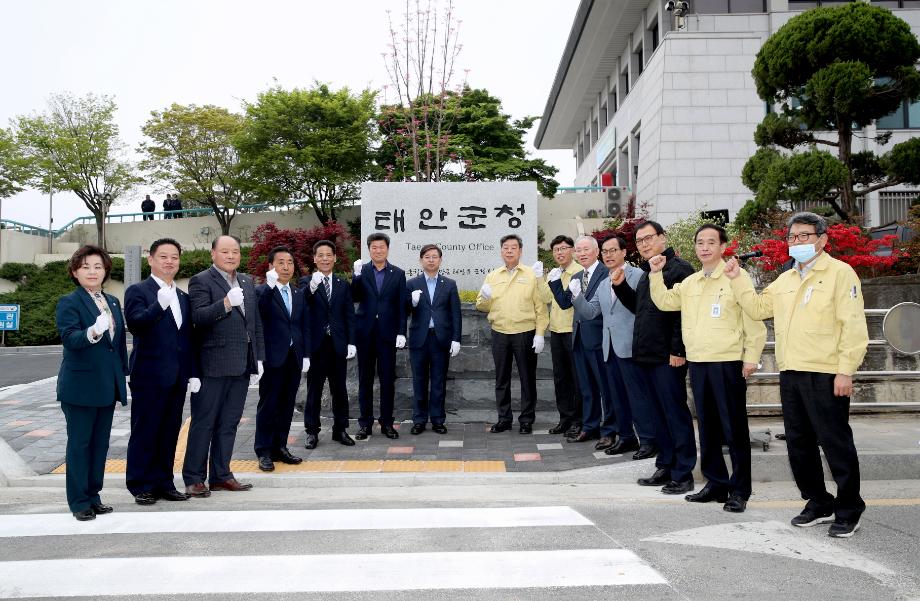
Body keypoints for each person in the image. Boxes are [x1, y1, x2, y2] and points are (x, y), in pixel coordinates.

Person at [724, 212, 869, 536]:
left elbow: (854, 327)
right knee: (799, 444)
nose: (798, 242)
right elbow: (759, 308)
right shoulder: (786, 278)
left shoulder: (839, 274)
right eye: (793, 237)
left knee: (835, 444)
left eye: (805, 236)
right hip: (791, 372)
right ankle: (818, 501)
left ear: (822, 239)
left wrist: (846, 371)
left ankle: (849, 509)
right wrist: (738, 278)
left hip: (826, 372)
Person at [648, 224, 767, 513]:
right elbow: (664, 302)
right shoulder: (691, 283)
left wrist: (751, 357)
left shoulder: (735, 278)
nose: (704, 247)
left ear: (722, 246)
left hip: (727, 363)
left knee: (734, 430)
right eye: (700, 242)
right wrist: (654, 273)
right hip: (699, 363)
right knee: (709, 428)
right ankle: (716, 483)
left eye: (710, 242)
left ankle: (740, 489)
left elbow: (754, 321)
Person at [612, 220, 697, 495]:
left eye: (649, 238)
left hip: (667, 356)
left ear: (662, 237)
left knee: (675, 413)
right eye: (640, 241)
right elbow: (641, 309)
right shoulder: (650, 270)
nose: (644, 244)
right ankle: (666, 464)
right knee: (657, 414)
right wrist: (621, 287)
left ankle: (683, 473)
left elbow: (681, 313)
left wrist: (677, 350)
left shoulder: (679, 269)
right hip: (646, 354)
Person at [183, 235, 264, 496]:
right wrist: (226, 303)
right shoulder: (201, 280)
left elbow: (255, 324)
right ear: (213, 254)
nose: (231, 256)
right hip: (213, 365)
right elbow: (197, 318)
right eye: (225, 251)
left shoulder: (247, 281)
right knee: (204, 423)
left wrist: (258, 359)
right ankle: (194, 477)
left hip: (241, 365)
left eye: (236, 252)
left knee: (229, 423)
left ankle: (221, 475)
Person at [55, 245, 128, 521]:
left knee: (100, 445)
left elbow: (118, 344)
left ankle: (94, 496)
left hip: (107, 386)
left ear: (105, 270)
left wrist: (124, 374)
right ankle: (78, 501)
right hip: (80, 387)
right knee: (80, 444)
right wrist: (92, 331)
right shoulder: (69, 302)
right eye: (85, 266)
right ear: (75, 271)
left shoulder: (111, 301)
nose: (92, 271)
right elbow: (70, 339)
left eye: (98, 266)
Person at [124, 238, 197, 506]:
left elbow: (187, 338)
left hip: (177, 376)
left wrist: (192, 372)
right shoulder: (138, 291)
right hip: (149, 375)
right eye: (163, 256)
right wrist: (159, 305)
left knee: (169, 431)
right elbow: (136, 325)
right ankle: (140, 484)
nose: (169, 261)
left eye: (174, 257)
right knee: (146, 430)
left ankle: (164, 482)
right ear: (151, 259)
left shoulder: (183, 296)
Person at [575, 234, 658, 459]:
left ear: (624, 252)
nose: (608, 255)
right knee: (616, 396)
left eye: (613, 250)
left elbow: (641, 310)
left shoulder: (638, 275)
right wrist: (576, 296)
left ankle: (649, 440)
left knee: (637, 396)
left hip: (631, 346)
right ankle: (626, 438)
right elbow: (591, 312)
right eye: (605, 252)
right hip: (609, 348)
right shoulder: (603, 283)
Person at [476, 234, 548, 434]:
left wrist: (540, 333)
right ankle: (504, 418)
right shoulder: (493, 276)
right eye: (505, 248)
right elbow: (481, 305)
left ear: (520, 251)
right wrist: (485, 298)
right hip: (499, 333)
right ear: (501, 251)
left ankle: (526, 420)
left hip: (525, 333)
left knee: (527, 378)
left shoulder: (531, 275)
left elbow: (541, 308)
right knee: (501, 379)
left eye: (513, 248)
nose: (509, 251)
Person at [548, 236, 616, 450]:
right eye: (579, 250)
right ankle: (590, 426)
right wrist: (555, 282)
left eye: (586, 249)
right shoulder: (578, 275)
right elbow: (566, 303)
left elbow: (599, 308)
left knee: (606, 389)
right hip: (578, 338)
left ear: (597, 251)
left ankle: (610, 430)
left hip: (599, 340)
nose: (582, 253)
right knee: (586, 388)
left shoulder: (606, 273)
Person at [254, 246, 311, 471]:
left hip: (293, 357)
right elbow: (260, 311)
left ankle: (280, 447)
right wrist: (268, 286)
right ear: (271, 266)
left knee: (287, 404)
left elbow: (303, 325)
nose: (286, 267)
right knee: (269, 404)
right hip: (272, 357)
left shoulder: (298, 293)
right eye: (281, 262)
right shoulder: (262, 291)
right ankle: (263, 451)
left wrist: (306, 354)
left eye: (289, 262)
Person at [351, 232, 408, 440]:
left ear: (387, 249)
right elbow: (354, 296)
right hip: (364, 334)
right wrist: (356, 277)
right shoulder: (362, 271)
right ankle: (365, 423)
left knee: (387, 381)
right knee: (364, 380)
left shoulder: (398, 273)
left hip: (387, 335)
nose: (378, 251)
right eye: (374, 247)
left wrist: (402, 331)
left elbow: (402, 306)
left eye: (381, 247)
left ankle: (387, 423)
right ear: (369, 250)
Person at [301, 239, 357, 448]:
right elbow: (302, 304)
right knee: (314, 390)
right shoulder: (306, 281)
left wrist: (352, 342)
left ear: (334, 258)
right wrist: (311, 288)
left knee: (339, 389)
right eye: (320, 255)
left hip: (338, 344)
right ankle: (311, 432)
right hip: (316, 345)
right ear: (314, 258)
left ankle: (340, 430)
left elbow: (349, 315)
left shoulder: (343, 284)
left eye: (329, 255)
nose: (325, 258)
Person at [405, 244, 462, 435]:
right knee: (419, 380)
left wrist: (456, 338)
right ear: (421, 260)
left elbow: (456, 314)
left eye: (434, 257)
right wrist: (410, 302)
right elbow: (403, 312)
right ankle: (419, 419)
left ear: (440, 260)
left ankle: (438, 419)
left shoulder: (449, 284)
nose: (431, 260)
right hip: (419, 339)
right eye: (427, 257)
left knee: (438, 381)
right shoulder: (411, 284)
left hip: (441, 339)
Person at [535, 235, 583, 437]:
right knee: (560, 378)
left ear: (572, 250)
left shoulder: (579, 272)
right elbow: (546, 297)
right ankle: (564, 419)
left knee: (577, 379)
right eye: (556, 250)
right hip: (556, 331)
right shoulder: (555, 272)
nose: (560, 252)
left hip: (574, 331)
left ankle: (579, 421)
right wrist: (540, 278)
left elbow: (569, 301)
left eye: (564, 248)